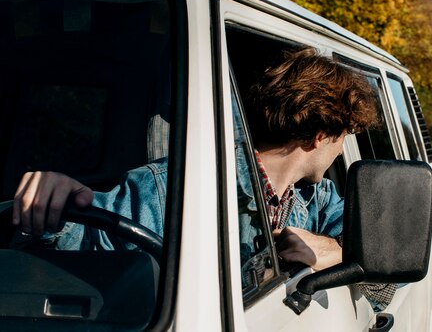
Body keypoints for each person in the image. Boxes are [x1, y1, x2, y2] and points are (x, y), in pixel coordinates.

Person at [12, 47, 379, 272]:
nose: (341, 149)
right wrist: (53, 207)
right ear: (319, 136)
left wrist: (328, 248)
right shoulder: (167, 188)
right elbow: (78, 255)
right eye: (344, 137)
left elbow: (375, 250)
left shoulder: (313, 197)